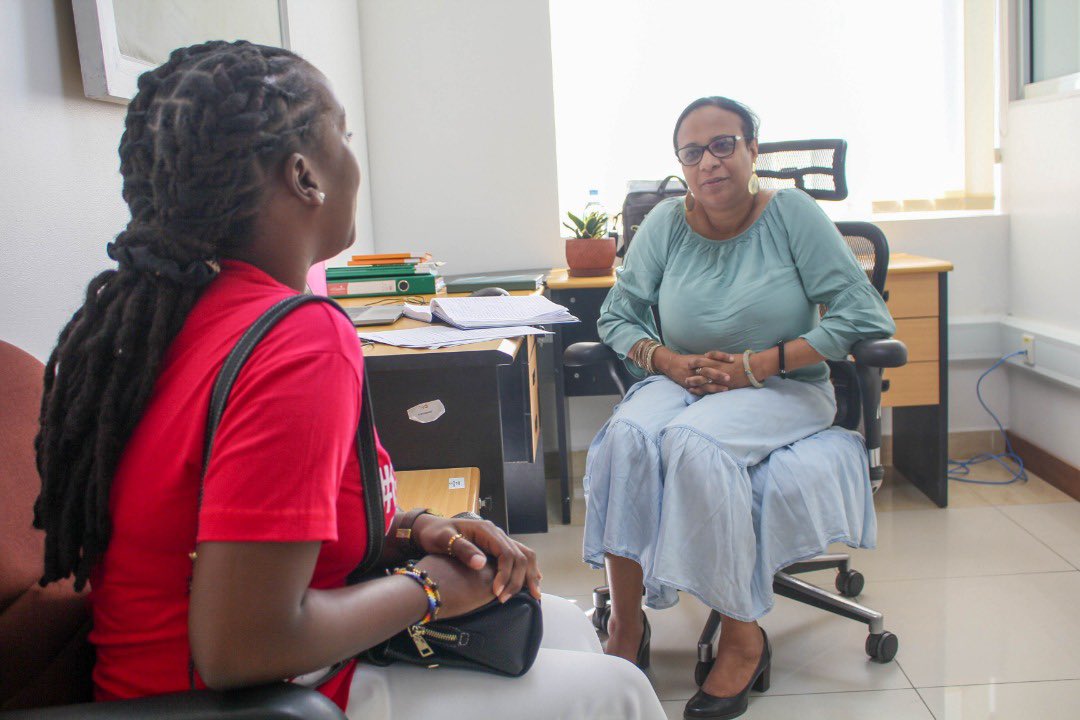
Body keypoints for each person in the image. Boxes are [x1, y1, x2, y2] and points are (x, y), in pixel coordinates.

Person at [32, 41, 665, 720]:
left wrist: (414, 528)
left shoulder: (161, 321)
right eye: (345, 134)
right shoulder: (299, 337)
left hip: (160, 679)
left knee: (562, 622)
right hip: (238, 698)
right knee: (620, 692)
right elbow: (242, 645)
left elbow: (225, 521)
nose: (354, 158)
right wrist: (428, 588)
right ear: (305, 176)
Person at [583, 96, 895, 720]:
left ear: (753, 150)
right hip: (686, 376)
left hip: (782, 386)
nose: (709, 163)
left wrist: (760, 364)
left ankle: (742, 634)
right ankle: (626, 624)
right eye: (692, 153)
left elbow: (865, 315)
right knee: (623, 439)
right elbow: (617, 315)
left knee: (693, 444)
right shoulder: (666, 225)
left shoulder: (793, 216)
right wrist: (667, 361)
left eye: (724, 145)